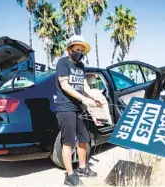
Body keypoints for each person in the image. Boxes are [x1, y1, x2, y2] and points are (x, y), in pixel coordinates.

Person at [55, 35, 104, 186]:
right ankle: (69, 175)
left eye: (82, 50)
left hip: (79, 108)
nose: (80, 53)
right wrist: (83, 99)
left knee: (84, 138)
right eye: (77, 49)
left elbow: (84, 86)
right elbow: (65, 86)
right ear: (69, 49)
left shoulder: (81, 66)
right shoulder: (63, 63)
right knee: (68, 142)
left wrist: (94, 97)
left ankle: (82, 168)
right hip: (66, 107)